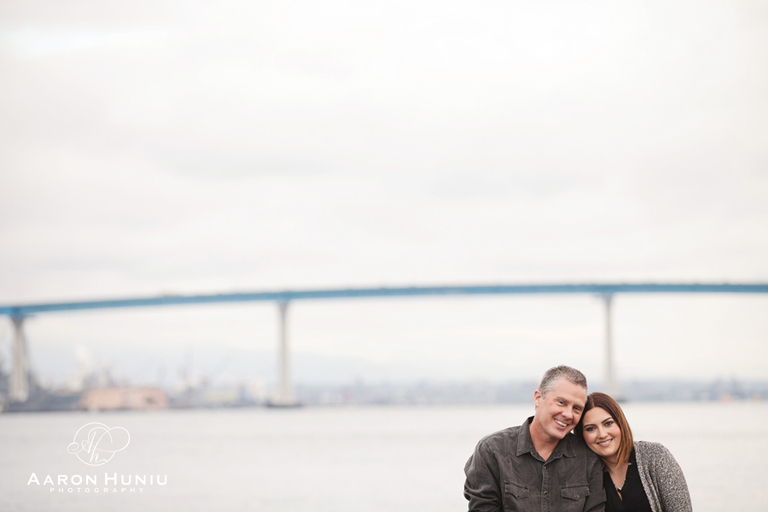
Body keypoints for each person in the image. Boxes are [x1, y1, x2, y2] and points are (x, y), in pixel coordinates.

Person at [464, 365, 606, 512]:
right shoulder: (492, 451)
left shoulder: (589, 459)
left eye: (576, 408)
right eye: (561, 402)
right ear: (538, 398)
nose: (568, 414)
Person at [574, 392, 692, 512]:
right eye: (591, 429)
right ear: (581, 435)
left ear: (620, 423)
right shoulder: (582, 475)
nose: (602, 434)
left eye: (608, 423)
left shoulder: (656, 456)